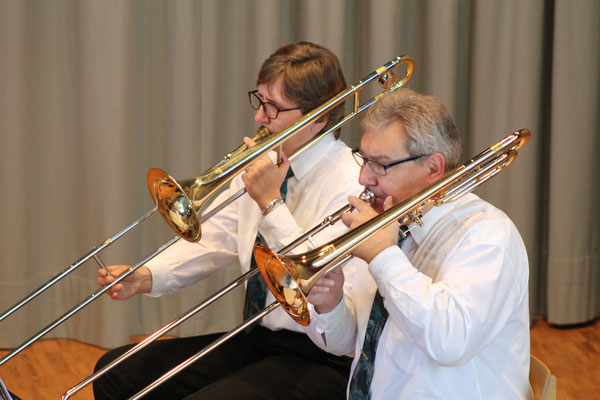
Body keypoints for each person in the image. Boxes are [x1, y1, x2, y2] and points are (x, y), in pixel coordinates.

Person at [93, 42, 365, 400]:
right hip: (257, 336)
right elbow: (216, 237)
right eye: (260, 100)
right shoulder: (267, 160)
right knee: (115, 372)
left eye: (273, 108)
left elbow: (313, 280)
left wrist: (271, 204)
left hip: (322, 356)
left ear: (318, 118)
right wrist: (147, 275)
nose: (259, 118)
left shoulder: (353, 184)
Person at [304, 88, 532, 399]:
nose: (363, 178)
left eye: (381, 164)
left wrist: (383, 257)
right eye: (364, 159)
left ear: (433, 169)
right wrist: (330, 304)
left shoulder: (488, 235)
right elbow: (354, 344)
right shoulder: (396, 224)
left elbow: (450, 341)